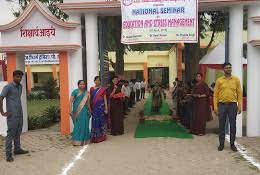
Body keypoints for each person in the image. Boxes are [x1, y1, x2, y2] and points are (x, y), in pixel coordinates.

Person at [0, 70, 29, 162]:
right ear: (13, 77)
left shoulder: (20, 87)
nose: (19, 78)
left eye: (20, 77)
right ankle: (8, 155)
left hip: (19, 114)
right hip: (12, 115)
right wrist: (2, 112)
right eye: (17, 76)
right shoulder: (8, 87)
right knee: (11, 134)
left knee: (18, 132)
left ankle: (17, 149)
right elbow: (1, 98)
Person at [214, 62, 242, 152]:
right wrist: (215, 107)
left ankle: (232, 144)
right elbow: (215, 95)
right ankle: (221, 144)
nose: (229, 69)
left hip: (233, 105)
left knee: (233, 125)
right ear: (223, 69)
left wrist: (240, 106)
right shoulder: (219, 80)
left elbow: (239, 94)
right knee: (221, 125)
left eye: (230, 67)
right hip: (221, 105)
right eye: (226, 68)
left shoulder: (236, 80)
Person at [70, 80, 90, 146]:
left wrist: (90, 110)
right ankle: (76, 141)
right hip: (77, 111)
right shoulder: (75, 92)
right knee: (77, 126)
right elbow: (70, 102)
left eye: (83, 84)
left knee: (85, 125)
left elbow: (88, 103)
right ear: (78, 85)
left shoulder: (87, 93)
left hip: (85, 110)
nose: (82, 85)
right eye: (80, 84)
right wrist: (70, 110)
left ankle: (85, 141)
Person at [89, 76, 108, 143]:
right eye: (96, 80)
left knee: (101, 121)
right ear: (94, 81)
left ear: (100, 81)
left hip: (101, 108)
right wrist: (90, 108)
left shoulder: (103, 89)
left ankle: (102, 136)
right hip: (94, 108)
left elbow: (105, 99)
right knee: (95, 121)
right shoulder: (91, 89)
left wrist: (106, 108)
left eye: (99, 80)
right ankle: (95, 136)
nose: (97, 82)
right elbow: (90, 99)